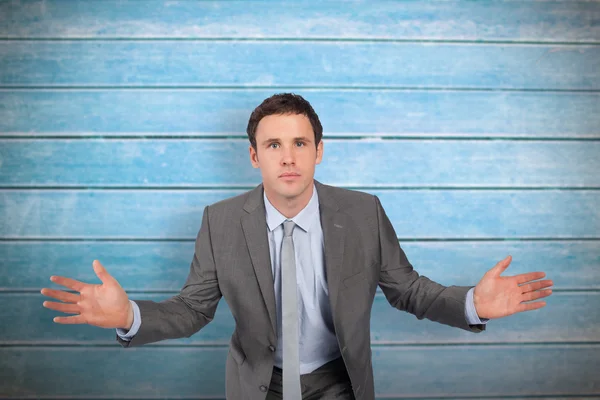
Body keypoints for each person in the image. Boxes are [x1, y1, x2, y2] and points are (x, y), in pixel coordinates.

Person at [41, 93, 553, 400]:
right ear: (254, 156)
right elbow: (193, 309)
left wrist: (471, 304)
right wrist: (129, 314)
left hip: (339, 382)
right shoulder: (220, 222)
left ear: (319, 151)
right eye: (273, 145)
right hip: (257, 385)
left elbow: (408, 290)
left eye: (300, 143)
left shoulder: (362, 212)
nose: (288, 158)